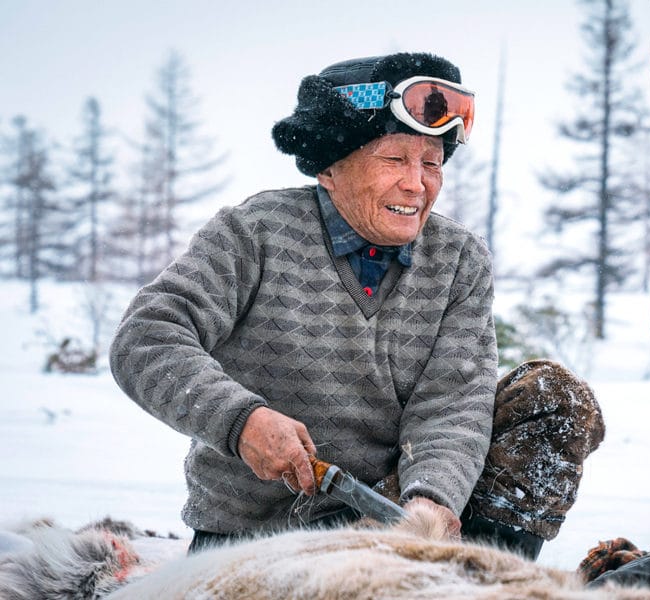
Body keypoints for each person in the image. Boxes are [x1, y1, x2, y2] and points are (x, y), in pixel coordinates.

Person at [109, 52, 603, 560]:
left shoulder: (458, 259)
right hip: (258, 539)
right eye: (394, 160)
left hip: (388, 518)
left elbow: (452, 402)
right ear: (330, 167)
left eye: (431, 163)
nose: (417, 183)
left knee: (553, 400)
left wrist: (432, 500)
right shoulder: (253, 233)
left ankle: (476, 582)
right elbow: (146, 337)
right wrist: (241, 422)